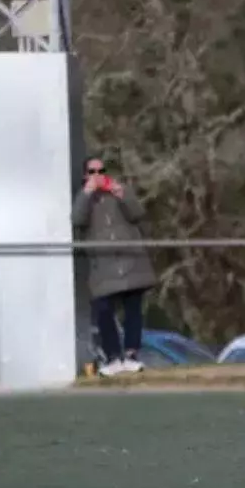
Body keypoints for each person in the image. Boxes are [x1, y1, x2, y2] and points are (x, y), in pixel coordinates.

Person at [72, 156, 157, 377]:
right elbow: (77, 219)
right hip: (103, 266)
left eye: (101, 171)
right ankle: (112, 357)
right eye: (92, 172)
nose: (97, 176)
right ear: (85, 175)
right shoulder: (84, 198)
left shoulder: (119, 191)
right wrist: (87, 193)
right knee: (103, 311)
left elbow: (137, 213)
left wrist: (121, 193)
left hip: (130, 261)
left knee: (133, 309)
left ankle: (131, 355)